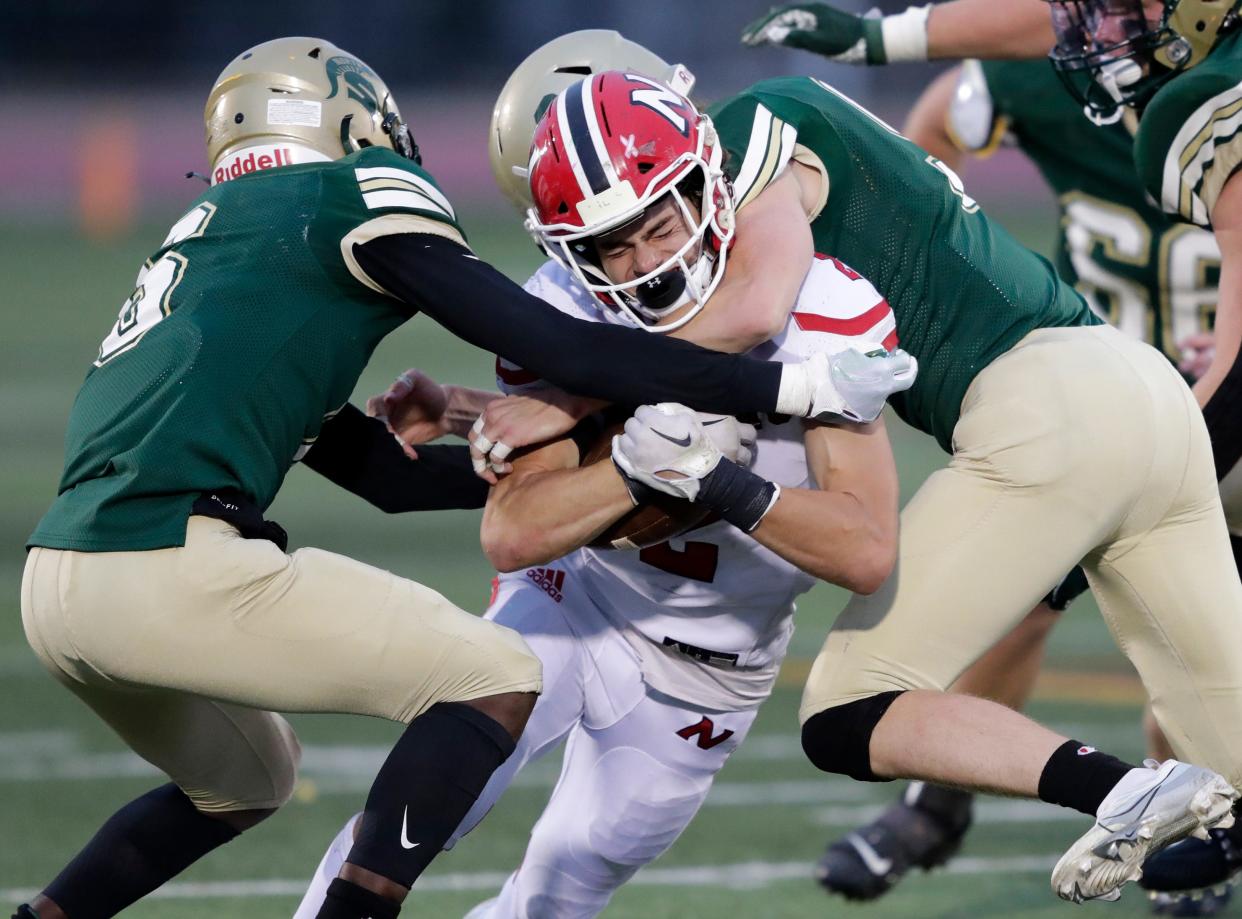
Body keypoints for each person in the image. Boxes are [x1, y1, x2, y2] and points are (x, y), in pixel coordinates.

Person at [10, 36, 919, 919]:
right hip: (172, 555)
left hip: (58, 582)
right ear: (350, 122)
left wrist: (481, 426)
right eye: (609, 244)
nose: (633, 260)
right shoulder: (354, 190)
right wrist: (787, 386)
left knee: (250, 780)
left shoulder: (227, 257)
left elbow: (387, 478)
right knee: (490, 672)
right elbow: (559, 347)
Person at [467, 62, 1242, 905]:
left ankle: (1117, 790)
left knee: (849, 708)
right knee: (1235, 763)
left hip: (1046, 407)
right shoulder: (796, 131)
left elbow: (757, 309)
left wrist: (569, 388)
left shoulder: (758, 119)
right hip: (1149, 398)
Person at [297, 132, 906, 919]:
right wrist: (629, 467)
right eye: (612, 246)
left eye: (660, 225)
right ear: (575, 250)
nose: (646, 263)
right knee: (440, 781)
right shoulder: (561, 304)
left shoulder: (821, 306)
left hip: (711, 663)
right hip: (576, 596)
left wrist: (716, 481)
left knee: (559, 892)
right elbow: (513, 531)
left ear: (709, 198)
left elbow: (864, 551)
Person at [744, 0, 1242, 907]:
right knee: (1216, 728)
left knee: (852, 702)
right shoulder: (1087, 73)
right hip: (1147, 398)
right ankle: (950, 805)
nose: (1095, 33)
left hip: (1128, 403)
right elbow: (1019, 47)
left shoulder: (1213, 99)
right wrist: (882, 47)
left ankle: (1159, 799)